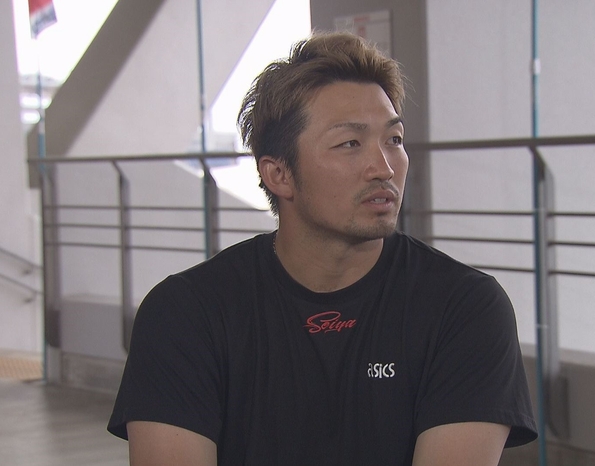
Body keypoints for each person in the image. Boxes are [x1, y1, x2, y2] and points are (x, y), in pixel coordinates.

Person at [108, 31, 537, 465]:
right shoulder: (185, 313)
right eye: (350, 143)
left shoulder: (464, 307)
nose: (384, 167)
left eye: (394, 139)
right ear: (279, 175)